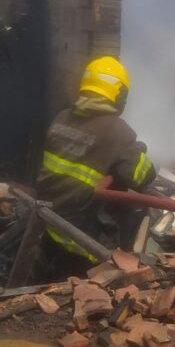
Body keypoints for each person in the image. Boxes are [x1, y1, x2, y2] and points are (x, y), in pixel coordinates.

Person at [36, 55, 156, 274]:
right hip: (88, 247)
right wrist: (136, 150)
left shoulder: (61, 118)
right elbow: (143, 175)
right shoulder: (117, 131)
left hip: (49, 229)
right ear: (119, 94)